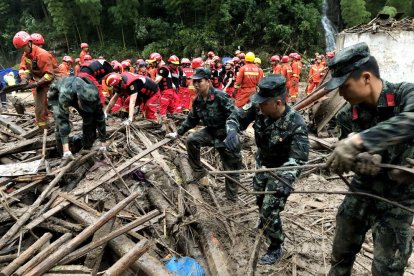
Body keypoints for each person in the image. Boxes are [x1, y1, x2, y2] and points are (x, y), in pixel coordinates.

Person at [325, 42, 414, 276]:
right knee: (340, 255)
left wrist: (360, 142)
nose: (341, 94)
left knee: (387, 269)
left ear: (365, 78)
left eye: (344, 86)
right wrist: (358, 159)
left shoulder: (405, 94)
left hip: (398, 199)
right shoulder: (347, 114)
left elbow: (411, 121)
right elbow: (345, 152)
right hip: (361, 191)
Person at [225, 74, 309, 265]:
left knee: (270, 208)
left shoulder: (296, 124)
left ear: (278, 102)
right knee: (260, 199)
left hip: (282, 170)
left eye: (263, 104)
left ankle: (275, 245)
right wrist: (232, 130)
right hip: (262, 164)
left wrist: (286, 179)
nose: (259, 107)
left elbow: (298, 158)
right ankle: (265, 222)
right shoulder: (259, 107)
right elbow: (235, 116)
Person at [166, 68, 242, 201]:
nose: (196, 84)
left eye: (199, 81)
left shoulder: (220, 96)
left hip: (227, 135)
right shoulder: (198, 100)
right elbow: (192, 119)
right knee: (192, 139)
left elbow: (235, 115)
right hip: (211, 132)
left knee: (231, 168)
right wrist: (177, 133)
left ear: (208, 81)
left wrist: (233, 132)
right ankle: (199, 172)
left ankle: (231, 199)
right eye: (194, 81)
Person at [47, 76, 107, 166]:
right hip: (56, 94)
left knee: (89, 118)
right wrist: (67, 151)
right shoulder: (65, 94)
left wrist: (103, 143)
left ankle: (87, 146)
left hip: (78, 94)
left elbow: (100, 118)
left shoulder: (94, 95)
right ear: (78, 99)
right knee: (60, 122)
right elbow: (63, 120)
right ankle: (63, 151)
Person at [13, 31, 60, 129]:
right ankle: (43, 128)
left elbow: (50, 75)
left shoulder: (42, 54)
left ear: (29, 43)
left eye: (23, 47)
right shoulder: (26, 55)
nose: (23, 50)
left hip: (53, 79)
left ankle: (63, 124)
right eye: (21, 48)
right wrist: (25, 79)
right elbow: (27, 69)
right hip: (40, 81)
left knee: (55, 103)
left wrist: (36, 84)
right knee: (39, 108)